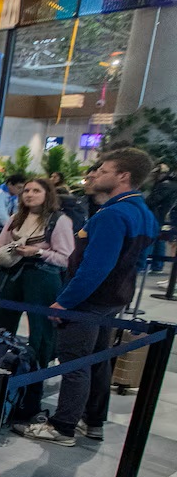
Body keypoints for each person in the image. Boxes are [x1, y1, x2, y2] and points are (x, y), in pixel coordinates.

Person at [19, 148, 158, 447]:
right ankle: (93, 420)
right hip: (114, 299)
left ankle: (63, 426)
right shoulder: (142, 212)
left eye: (104, 170)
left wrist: (65, 301)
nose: (95, 174)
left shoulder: (114, 214)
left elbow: (96, 268)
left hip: (91, 301)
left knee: (74, 361)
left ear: (123, 176)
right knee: (98, 359)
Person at [0, 178, 75, 421]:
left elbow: (66, 258)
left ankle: (32, 392)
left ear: (48, 194)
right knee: (0, 330)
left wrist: (39, 252)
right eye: (26, 191)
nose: (30, 195)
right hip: (10, 277)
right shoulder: (15, 218)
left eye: (36, 191)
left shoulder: (59, 221)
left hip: (43, 279)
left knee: (41, 336)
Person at [145, 166, 177, 273]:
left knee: (152, 239)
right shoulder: (172, 185)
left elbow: (153, 200)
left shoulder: (165, 185)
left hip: (158, 216)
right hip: (165, 217)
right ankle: (158, 265)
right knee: (160, 240)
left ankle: (147, 264)